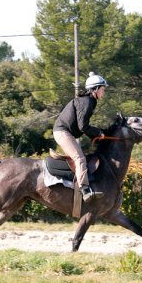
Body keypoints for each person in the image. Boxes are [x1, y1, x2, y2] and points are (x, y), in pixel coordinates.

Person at [53, 72, 107, 202]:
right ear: (95, 89)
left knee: (83, 156)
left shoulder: (90, 101)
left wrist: (96, 134)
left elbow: (83, 126)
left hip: (66, 132)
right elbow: (83, 126)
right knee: (80, 158)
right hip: (62, 132)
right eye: (102, 89)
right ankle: (85, 189)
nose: (104, 92)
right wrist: (98, 133)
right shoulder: (87, 102)